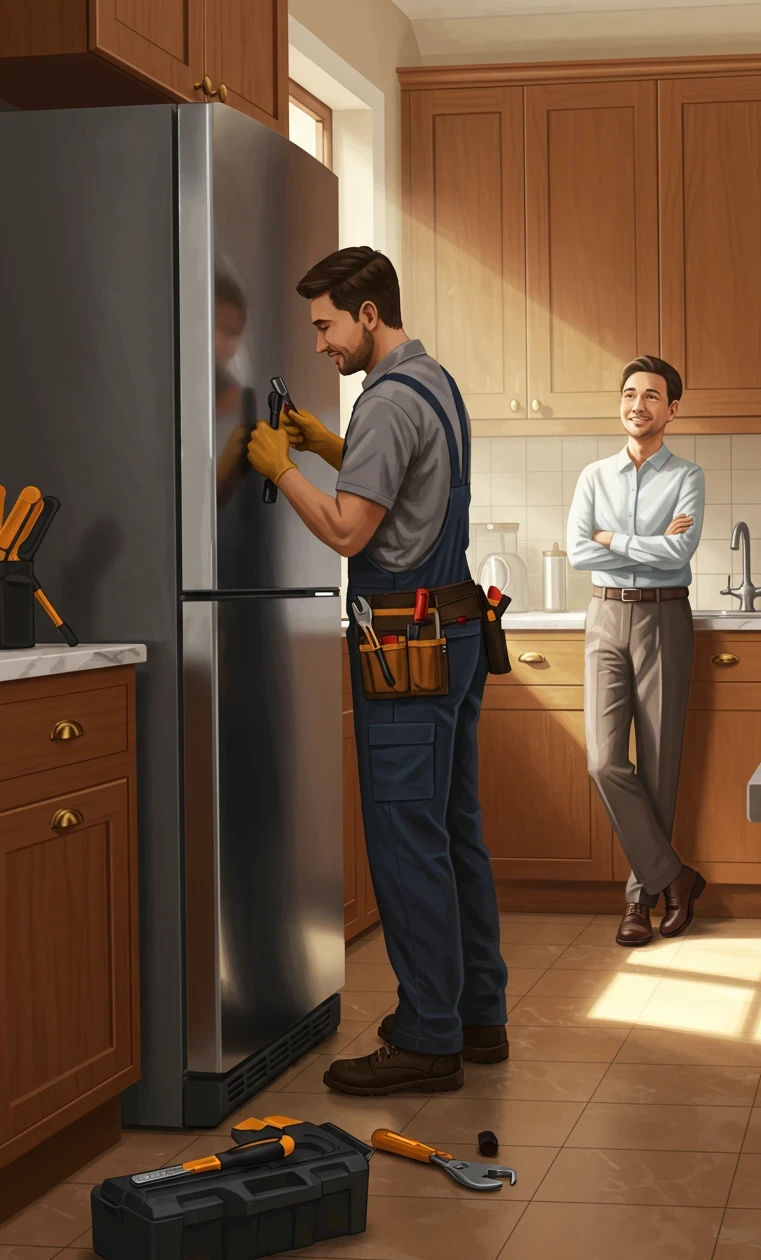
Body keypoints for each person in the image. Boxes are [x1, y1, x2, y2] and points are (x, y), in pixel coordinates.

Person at [246, 246, 509, 1096]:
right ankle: (477, 1015)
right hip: (455, 629)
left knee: (405, 841)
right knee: (452, 829)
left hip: (404, 644)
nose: (319, 343)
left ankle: (429, 1036)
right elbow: (395, 486)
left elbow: (354, 533)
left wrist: (279, 467)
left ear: (367, 314)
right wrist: (325, 442)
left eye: (325, 324)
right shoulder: (429, 379)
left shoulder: (389, 402)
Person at [566, 355, 706, 948]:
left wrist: (611, 539)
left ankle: (636, 902)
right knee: (602, 760)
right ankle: (674, 876)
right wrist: (641, 544)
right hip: (604, 618)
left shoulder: (688, 477)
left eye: (651, 396)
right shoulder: (593, 476)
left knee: (658, 766)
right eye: (628, 394)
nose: (637, 405)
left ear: (672, 409)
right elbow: (577, 551)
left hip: (664, 616)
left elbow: (679, 556)